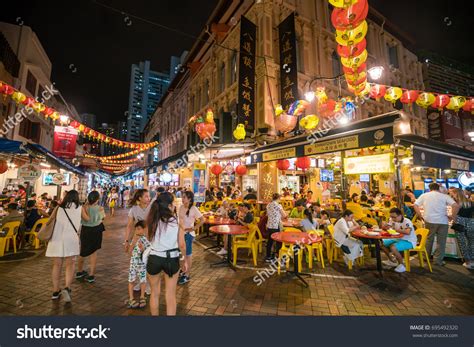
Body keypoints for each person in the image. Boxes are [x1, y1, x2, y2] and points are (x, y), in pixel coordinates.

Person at [146, 192, 187, 316]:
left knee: (154, 293)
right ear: (169, 205)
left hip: (154, 257)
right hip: (171, 258)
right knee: (170, 294)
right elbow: (182, 245)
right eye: (173, 203)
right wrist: (183, 260)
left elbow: (148, 238)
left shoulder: (152, 219)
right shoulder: (177, 221)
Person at [45, 190, 82, 302]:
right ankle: (67, 287)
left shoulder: (58, 208)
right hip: (71, 238)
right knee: (70, 264)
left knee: (57, 265)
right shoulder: (79, 208)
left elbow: (49, 220)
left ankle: (56, 291)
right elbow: (86, 219)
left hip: (57, 239)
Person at [414, 183, 459, 266]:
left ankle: (425, 257)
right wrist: (452, 216)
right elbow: (455, 205)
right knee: (441, 242)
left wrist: (420, 215)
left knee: (428, 239)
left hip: (429, 220)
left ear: (429, 188)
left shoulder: (424, 195)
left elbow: (415, 205)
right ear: (438, 188)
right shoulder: (444, 196)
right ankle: (438, 261)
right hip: (443, 221)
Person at [76, 191, 106, 283]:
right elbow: (103, 218)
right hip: (97, 230)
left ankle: (80, 271)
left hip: (86, 230)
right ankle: (91, 274)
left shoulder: (83, 207)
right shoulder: (100, 208)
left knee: (83, 250)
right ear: (97, 200)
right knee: (94, 252)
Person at [177, 191, 204, 285]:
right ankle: (183, 270)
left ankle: (187, 274)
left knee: (188, 255)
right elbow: (180, 220)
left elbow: (202, 220)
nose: (182, 199)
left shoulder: (193, 208)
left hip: (188, 235)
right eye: (182, 197)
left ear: (189, 199)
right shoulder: (180, 207)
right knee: (181, 254)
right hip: (180, 234)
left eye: (184, 197)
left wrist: (194, 228)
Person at [380, 208, 417, 273]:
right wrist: (384, 226)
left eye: (394, 217)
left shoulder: (407, 221)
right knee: (382, 243)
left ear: (400, 215)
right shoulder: (392, 220)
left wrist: (396, 229)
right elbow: (387, 228)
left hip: (409, 241)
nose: (392, 219)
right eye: (391, 217)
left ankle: (401, 265)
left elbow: (408, 232)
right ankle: (392, 260)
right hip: (398, 238)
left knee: (393, 247)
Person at [126, 221, 151, 308]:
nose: (136, 231)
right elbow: (129, 252)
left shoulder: (145, 240)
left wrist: (143, 248)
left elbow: (149, 253)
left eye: (139, 229)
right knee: (131, 280)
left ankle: (142, 296)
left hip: (142, 265)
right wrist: (132, 244)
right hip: (133, 264)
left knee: (143, 280)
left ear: (144, 230)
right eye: (136, 229)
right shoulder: (134, 239)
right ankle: (131, 298)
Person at [450, 188, 474, 269]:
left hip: (460, 223)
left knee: (462, 242)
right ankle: (472, 260)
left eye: (452, 193)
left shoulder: (456, 203)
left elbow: (454, 216)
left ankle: (467, 261)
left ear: (455, 193)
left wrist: (451, 218)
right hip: (471, 222)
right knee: (471, 242)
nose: (451, 195)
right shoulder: (470, 202)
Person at [265, 193, 287, 262]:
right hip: (276, 225)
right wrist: (286, 214)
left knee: (270, 241)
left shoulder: (268, 205)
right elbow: (284, 215)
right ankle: (277, 257)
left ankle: (268, 257)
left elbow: (267, 214)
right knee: (278, 242)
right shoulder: (278, 205)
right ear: (279, 198)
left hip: (269, 225)